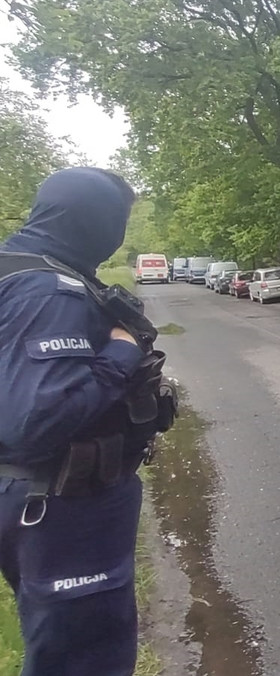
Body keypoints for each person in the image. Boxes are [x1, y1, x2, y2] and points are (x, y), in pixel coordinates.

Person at [0, 167, 176, 674]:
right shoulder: (49, 291)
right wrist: (120, 352)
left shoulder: (17, 271)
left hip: (36, 498)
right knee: (85, 658)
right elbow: (37, 418)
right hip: (61, 505)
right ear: (94, 219)